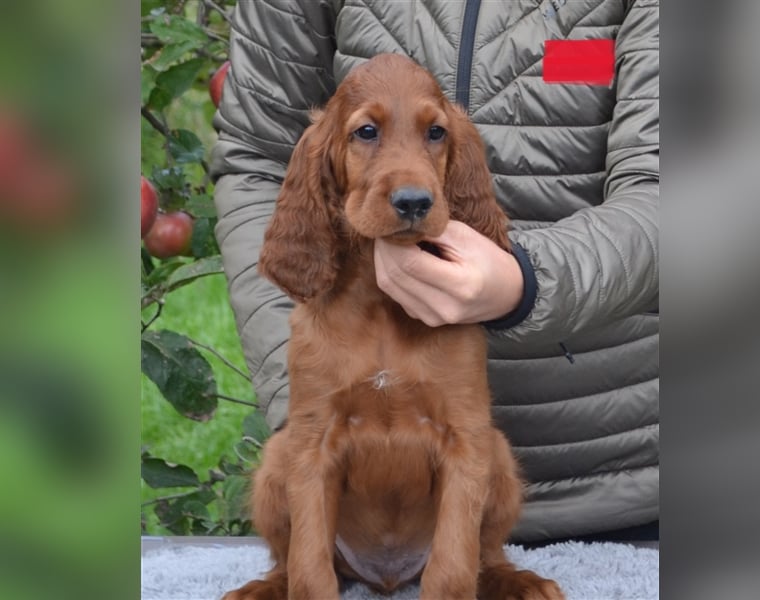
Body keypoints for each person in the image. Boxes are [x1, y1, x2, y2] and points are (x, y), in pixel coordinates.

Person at [210, 0, 659, 544]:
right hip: (358, 498)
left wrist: (527, 283)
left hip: (620, 477)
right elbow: (260, 157)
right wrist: (315, 405)